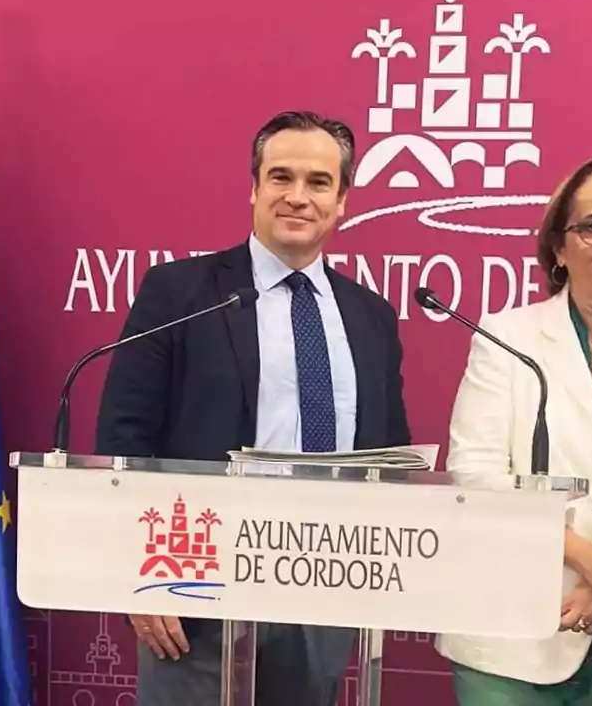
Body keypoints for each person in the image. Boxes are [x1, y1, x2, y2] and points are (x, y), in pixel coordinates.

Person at [94, 110, 412, 706]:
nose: (297, 197)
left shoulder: (370, 317)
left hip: (326, 587)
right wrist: (144, 575)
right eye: (280, 177)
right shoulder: (181, 293)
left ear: (342, 200)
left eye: (318, 183)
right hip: (193, 588)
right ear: (254, 188)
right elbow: (125, 440)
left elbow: (389, 455)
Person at [435, 157, 592, 705]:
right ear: (558, 249)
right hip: (508, 634)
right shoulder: (506, 336)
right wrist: (584, 558)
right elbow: (474, 480)